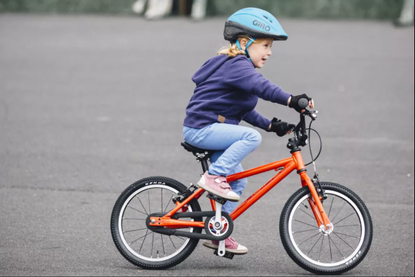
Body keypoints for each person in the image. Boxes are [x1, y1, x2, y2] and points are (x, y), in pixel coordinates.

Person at [182, 7, 314, 254]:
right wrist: (292, 100)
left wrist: (272, 126)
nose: (269, 52)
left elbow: (243, 110)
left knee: (238, 180)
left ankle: (217, 231)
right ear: (244, 42)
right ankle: (213, 177)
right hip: (201, 129)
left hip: (212, 129)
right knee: (249, 137)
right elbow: (261, 87)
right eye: (265, 45)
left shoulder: (238, 69)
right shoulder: (237, 64)